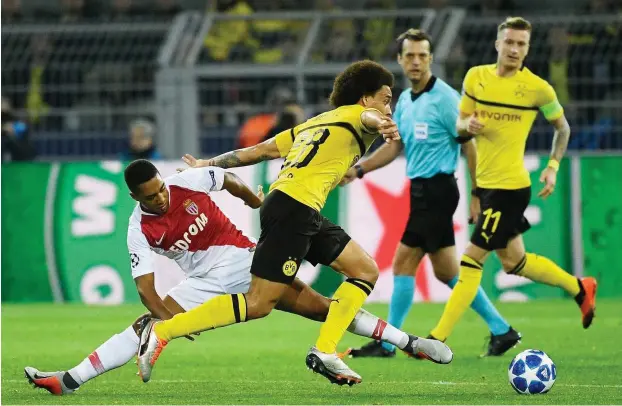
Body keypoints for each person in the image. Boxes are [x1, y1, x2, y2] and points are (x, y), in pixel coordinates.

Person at [136, 60, 452, 386]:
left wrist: (206, 164)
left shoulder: (316, 122)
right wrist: (381, 124)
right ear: (364, 98)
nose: (389, 107)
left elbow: (259, 151)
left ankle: (337, 348)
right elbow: (368, 117)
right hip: (295, 209)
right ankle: (164, 331)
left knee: (364, 269)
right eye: (385, 99)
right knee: (259, 303)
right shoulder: (362, 116)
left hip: (292, 206)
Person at [25, 159, 451, 395]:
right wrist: (169, 322)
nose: (161, 196)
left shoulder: (184, 182)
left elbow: (227, 179)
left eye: (161, 188)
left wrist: (254, 196)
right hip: (202, 282)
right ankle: (70, 379)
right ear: (134, 197)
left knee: (322, 309)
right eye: (151, 195)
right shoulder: (138, 229)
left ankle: (410, 342)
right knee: (143, 324)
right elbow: (146, 289)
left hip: (244, 260)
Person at [339, 29, 518, 359]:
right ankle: (502, 330)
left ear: (431, 59)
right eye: (410, 56)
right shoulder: (405, 101)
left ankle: (385, 343)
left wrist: (478, 194)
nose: (416, 61)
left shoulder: (447, 99)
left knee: (403, 262)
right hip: (422, 190)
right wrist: (360, 169)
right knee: (448, 273)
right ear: (400, 60)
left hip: (438, 189)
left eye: (422, 55)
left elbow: (471, 146)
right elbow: (395, 148)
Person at [427, 17, 598, 343]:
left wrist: (552, 166)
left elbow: (563, 128)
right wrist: (469, 127)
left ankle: (437, 338)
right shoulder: (476, 77)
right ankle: (579, 287)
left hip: (511, 188)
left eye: (522, 44)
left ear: (528, 48)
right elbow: (460, 125)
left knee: (471, 259)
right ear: (498, 44)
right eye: (510, 42)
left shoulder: (537, 88)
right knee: (514, 262)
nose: (515, 49)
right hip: (488, 185)